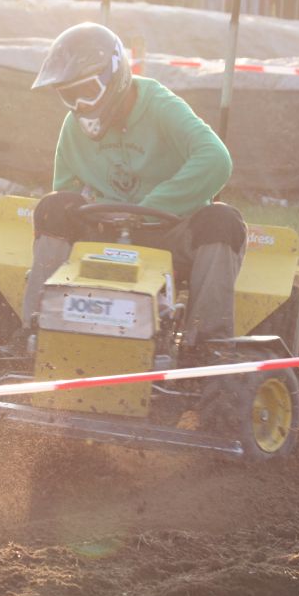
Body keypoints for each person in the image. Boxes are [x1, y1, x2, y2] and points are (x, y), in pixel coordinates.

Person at [24, 23, 247, 359]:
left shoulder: (159, 105)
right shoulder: (73, 128)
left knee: (223, 221)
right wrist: (97, 214)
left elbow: (216, 159)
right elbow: (66, 192)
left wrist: (152, 206)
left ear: (115, 76)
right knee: (52, 208)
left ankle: (205, 348)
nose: (80, 105)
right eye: (69, 96)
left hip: (169, 233)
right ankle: (36, 332)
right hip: (104, 235)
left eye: (87, 91)